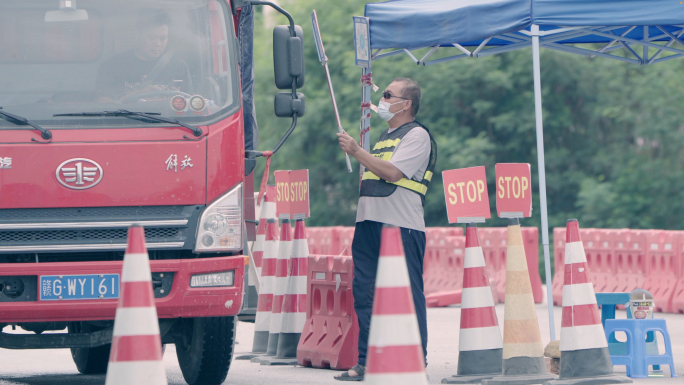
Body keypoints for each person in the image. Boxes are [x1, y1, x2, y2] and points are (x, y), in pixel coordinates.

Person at [334, 78, 437, 381]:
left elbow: (392, 172)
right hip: (368, 222)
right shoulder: (384, 136)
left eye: (389, 95)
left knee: (407, 294)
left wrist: (355, 150)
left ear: (406, 104)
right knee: (365, 292)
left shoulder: (417, 135)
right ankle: (367, 360)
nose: (382, 99)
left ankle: (416, 360)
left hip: (400, 226)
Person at [96, 9, 192, 100]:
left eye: (163, 39)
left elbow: (192, 104)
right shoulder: (113, 66)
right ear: (138, 34)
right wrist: (139, 94)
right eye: (152, 38)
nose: (158, 44)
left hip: (167, 118)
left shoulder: (178, 66)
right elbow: (104, 106)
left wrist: (177, 99)